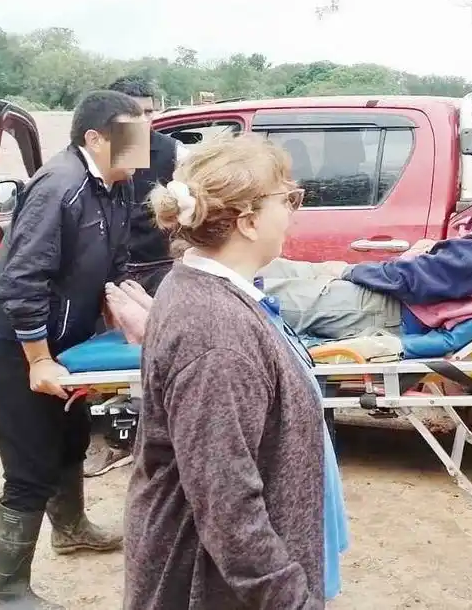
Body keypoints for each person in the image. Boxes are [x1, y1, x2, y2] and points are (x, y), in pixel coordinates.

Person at [123, 134, 346, 610]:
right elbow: (227, 505)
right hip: (207, 585)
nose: (293, 213)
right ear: (247, 221)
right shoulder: (216, 334)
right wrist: (289, 598)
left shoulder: (209, 291)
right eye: (288, 200)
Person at [108, 138, 472, 346]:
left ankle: (164, 328)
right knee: (278, 271)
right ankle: (168, 312)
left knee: (264, 291)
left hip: (397, 308)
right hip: (401, 295)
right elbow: (449, 268)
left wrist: (357, 270)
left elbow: (431, 278)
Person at [0, 89, 150, 609]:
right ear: (94, 139)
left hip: (69, 342)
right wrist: (38, 360)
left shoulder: (117, 184)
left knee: (71, 441)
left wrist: (120, 306)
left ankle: (71, 530)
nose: (143, 148)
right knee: (29, 469)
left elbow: (115, 259)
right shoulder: (59, 186)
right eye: (133, 136)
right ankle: (6, 593)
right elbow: (21, 281)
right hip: (19, 346)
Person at [107, 75, 189, 296]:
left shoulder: (174, 152)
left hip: (160, 268)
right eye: (134, 112)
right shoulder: (97, 151)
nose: (143, 120)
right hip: (111, 270)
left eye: (149, 112)